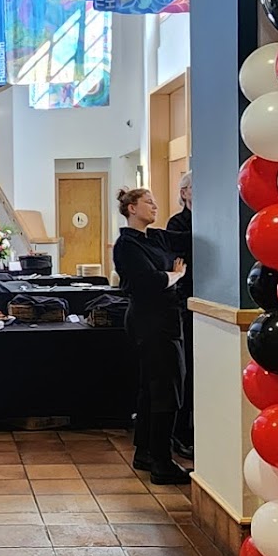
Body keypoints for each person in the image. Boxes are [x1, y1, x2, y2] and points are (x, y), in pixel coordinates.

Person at [112, 186, 189, 485]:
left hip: (166, 318)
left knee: (153, 387)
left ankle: (145, 452)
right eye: (148, 202)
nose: (155, 206)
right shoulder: (126, 245)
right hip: (150, 321)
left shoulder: (156, 237)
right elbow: (146, 281)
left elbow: (188, 239)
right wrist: (175, 275)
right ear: (132, 208)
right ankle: (161, 461)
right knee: (165, 389)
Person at [165, 172, 195, 468]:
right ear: (184, 193)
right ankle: (181, 432)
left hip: (202, 303)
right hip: (184, 304)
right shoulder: (177, 224)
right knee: (187, 372)